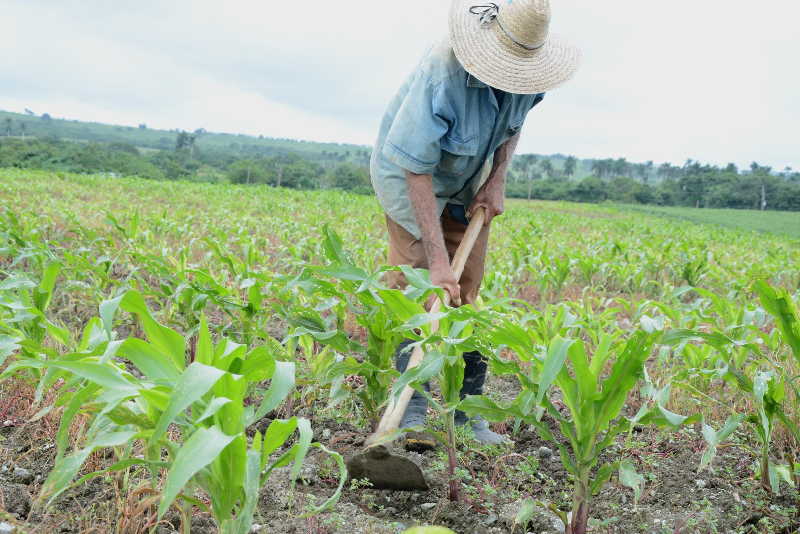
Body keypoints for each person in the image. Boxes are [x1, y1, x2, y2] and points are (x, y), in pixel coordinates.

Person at [369, 0, 580, 446]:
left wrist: (498, 178)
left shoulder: (529, 72)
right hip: (412, 182)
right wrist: (437, 260)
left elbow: (514, 125)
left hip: (471, 181)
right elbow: (415, 172)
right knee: (424, 288)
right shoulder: (442, 76)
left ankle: (468, 415)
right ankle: (412, 415)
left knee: (465, 293)